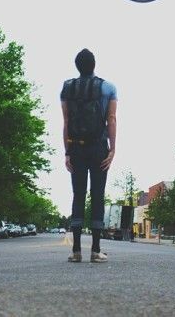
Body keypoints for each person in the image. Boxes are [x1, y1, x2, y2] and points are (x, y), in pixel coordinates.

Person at [60, 49, 117, 263]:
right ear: (94, 64)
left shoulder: (67, 88)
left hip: (76, 147)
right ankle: (95, 250)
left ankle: (76, 250)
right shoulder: (108, 87)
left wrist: (67, 152)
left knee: (78, 194)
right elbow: (111, 119)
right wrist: (112, 149)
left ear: (77, 66)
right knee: (98, 195)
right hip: (98, 147)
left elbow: (66, 122)